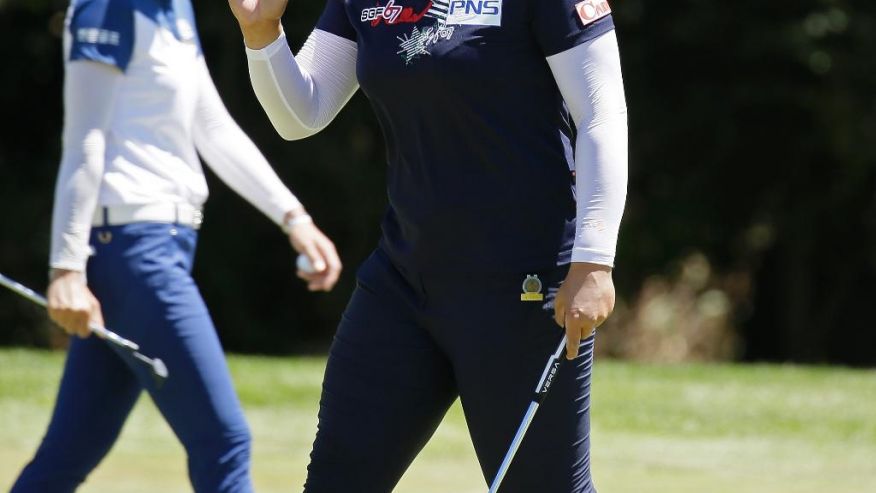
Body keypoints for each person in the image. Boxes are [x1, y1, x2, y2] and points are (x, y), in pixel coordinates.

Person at [230, 0, 627, 491]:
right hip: (402, 284)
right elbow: (301, 113)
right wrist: (261, 31)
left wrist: (593, 260)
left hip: (524, 289)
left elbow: (601, 116)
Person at [11, 0, 342, 491]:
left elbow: (210, 126)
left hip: (153, 251)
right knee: (223, 442)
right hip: (135, 255)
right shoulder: (107, 7)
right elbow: (86, 140)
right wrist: (67, 270)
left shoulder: (173, 9)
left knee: (67, 455)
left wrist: (294, 218)